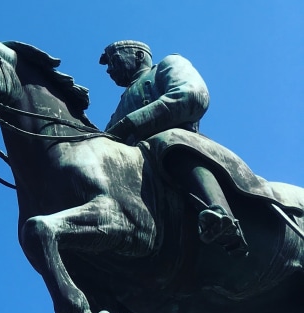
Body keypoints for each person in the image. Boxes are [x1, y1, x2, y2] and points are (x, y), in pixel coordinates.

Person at [100, 40, 247, 254]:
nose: (110, 70)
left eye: (114, 61)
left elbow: (192, 95)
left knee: (166, 140)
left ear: (139, 56)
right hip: (138, 167)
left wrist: (130, 124)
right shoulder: (118, 108)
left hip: (177, 144)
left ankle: (220, 216)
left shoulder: (168, 64)